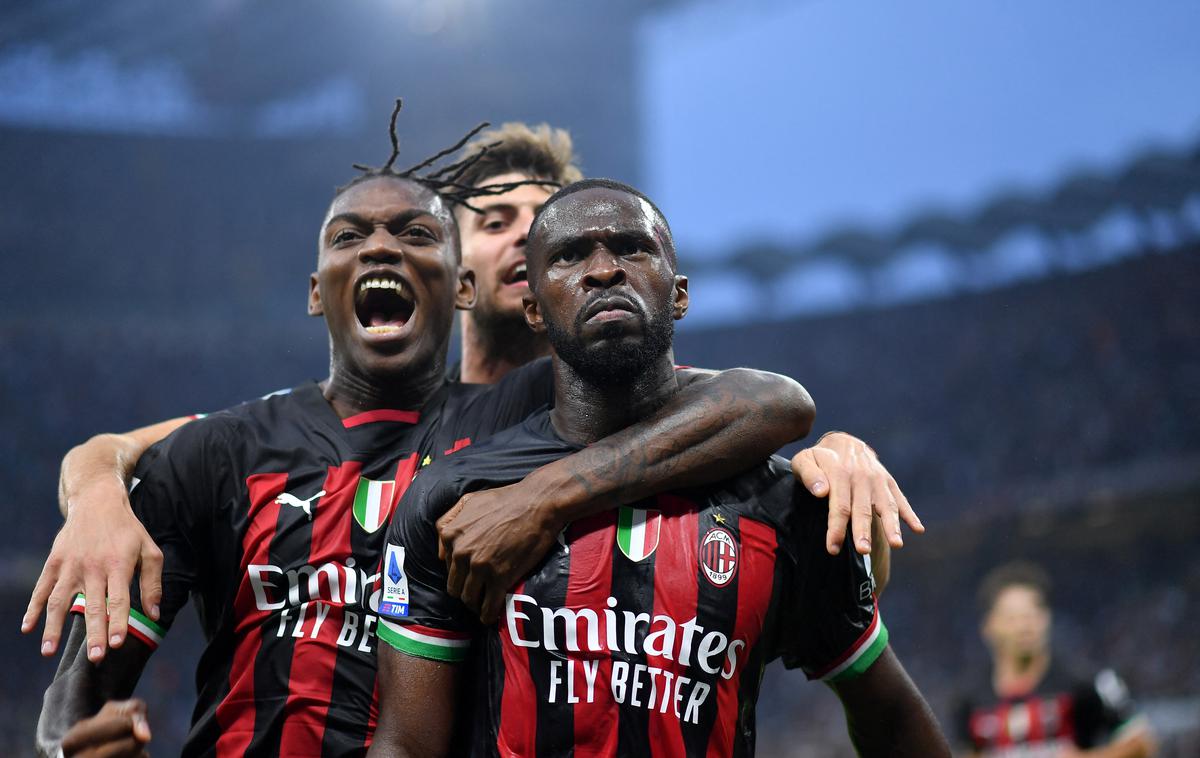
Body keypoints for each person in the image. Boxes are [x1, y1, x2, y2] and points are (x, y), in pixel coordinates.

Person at [33, 106, 906, 757]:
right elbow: (77, 693)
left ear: (458, 283)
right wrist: (99, 478)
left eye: (414, 231)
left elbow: (759, 402)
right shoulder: (224, 449)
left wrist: (842, 453)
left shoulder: (530, 428)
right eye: (496, 222)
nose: (383, 250)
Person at [369, 178, 950, 757]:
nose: (603, 270)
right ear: (534, 310)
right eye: (570, 256)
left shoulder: (784, 506)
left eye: (632, 248)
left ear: (679, 295)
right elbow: (407, 745)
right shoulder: (455, 500)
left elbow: (892, 716)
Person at [955, 562, 1156, 757]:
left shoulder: (1088, 681)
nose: (1024, 627)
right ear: (989, 626)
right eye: (1012, 618)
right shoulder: (969, 701)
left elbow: (1142, 743)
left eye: (1031, 615)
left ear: (1046, 618)